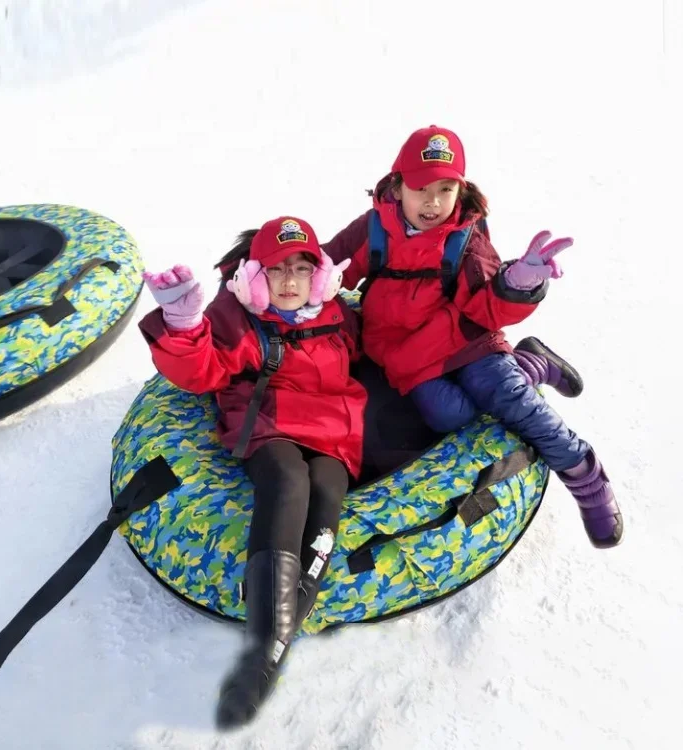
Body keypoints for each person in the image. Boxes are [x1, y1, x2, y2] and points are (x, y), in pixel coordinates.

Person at [319, 124, 623, 549]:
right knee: (450, 416)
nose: (433, 202)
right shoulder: (373, 228)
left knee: (510, 399)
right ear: (396, 184)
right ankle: (533, 362)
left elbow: (486, 306)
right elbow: (325, 268)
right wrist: (275, 275)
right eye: (421, 187)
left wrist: (518, 282)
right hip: (408, 355)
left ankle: (585, 476)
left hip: (468, 340)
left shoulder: (465, 236)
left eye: (446, 189)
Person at [139, 216, 363, 730]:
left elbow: (379, 347)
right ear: (256, 278)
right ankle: (264, 650)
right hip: (269, 424)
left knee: (327, 490)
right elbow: (201, 371)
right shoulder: (242, 319)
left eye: (302, 268)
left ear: (320, 276)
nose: (290, 280)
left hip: (335, 430)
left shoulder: (337, 316)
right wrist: (182, 324)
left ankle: (276, 639)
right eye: (277, 269)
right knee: (287, 482)